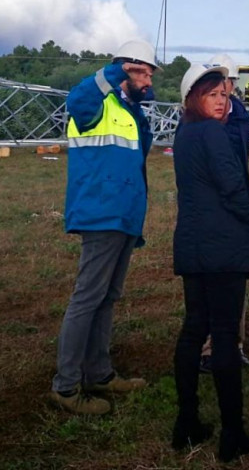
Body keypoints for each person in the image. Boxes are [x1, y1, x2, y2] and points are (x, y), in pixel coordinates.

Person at [48, 40, 158, 416]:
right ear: (123, 69)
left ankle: (99, 372)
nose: (147, 80)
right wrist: (116, 72)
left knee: (107, 297)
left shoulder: (130, 111)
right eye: (140, 71)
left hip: (124, 216)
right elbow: (76, 98)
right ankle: (65, 386)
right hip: (101, 214)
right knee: (87, 298)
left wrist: (138, 95)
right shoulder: (94, 104)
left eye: (150, 73)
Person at [172, 63, 249, 461]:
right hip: (223, 248)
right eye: (213, 95)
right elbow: (232, 185)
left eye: (225, 95)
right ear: (194, 98)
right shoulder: (212, 133)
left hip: (192, 246)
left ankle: (186, 422)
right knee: (224, 335)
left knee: (194, 329)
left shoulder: (185, 133)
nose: (223, 102)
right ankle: (232, 433)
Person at [199, 54, 249, 371]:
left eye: (225, 86)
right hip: (209, 209)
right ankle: (208, 349)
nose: (222, 93)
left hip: (235, 204)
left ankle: (233, 345)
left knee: (236, 278)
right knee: (208, 279)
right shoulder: (199, 119)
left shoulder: (241, 117)